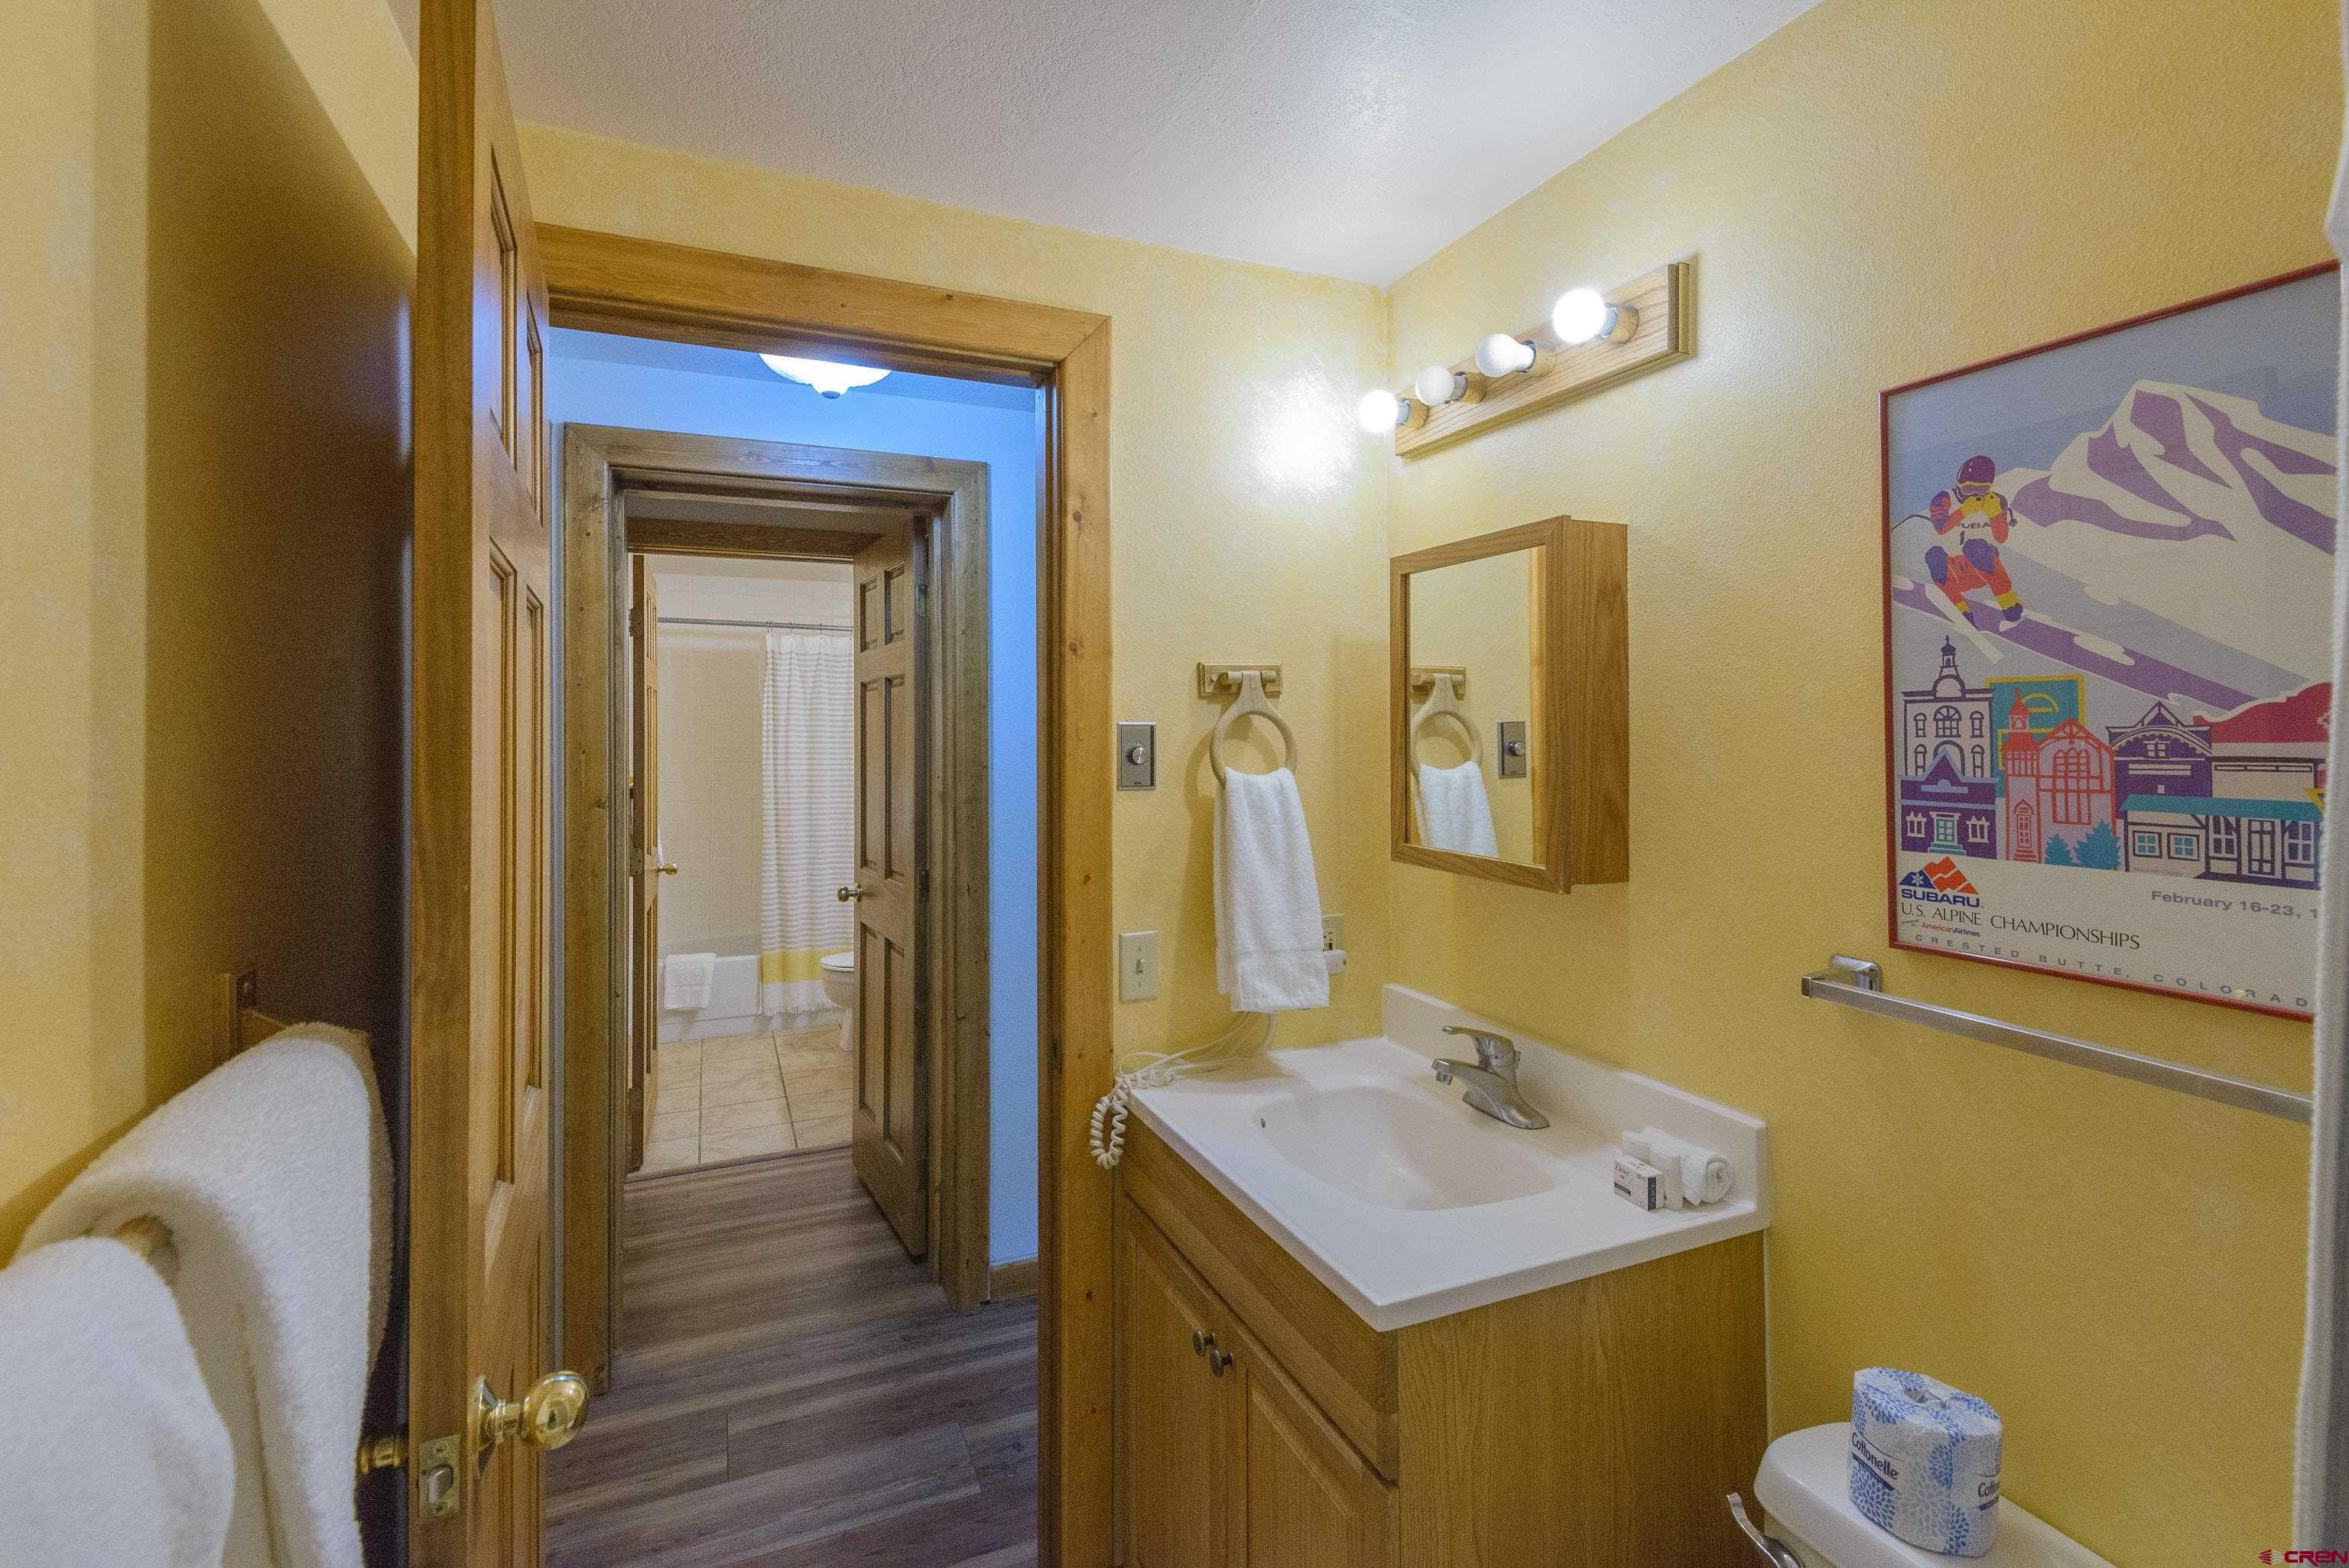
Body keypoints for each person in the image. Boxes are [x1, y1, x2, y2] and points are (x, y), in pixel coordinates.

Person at [1924, 455, 2025, 626]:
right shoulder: (1944, 499)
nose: (1975, 495)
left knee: (1975, 545)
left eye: (1982, 490)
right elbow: (1941, 529)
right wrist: (1964, 511)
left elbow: (2001, 538)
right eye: (1969, 489)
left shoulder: (1997, 501)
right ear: (1959, 485)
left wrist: (1995, 515)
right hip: (1952, 568)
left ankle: (2008, 602)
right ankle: (1960, 608)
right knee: (1934, 555)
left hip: (1982, 567)